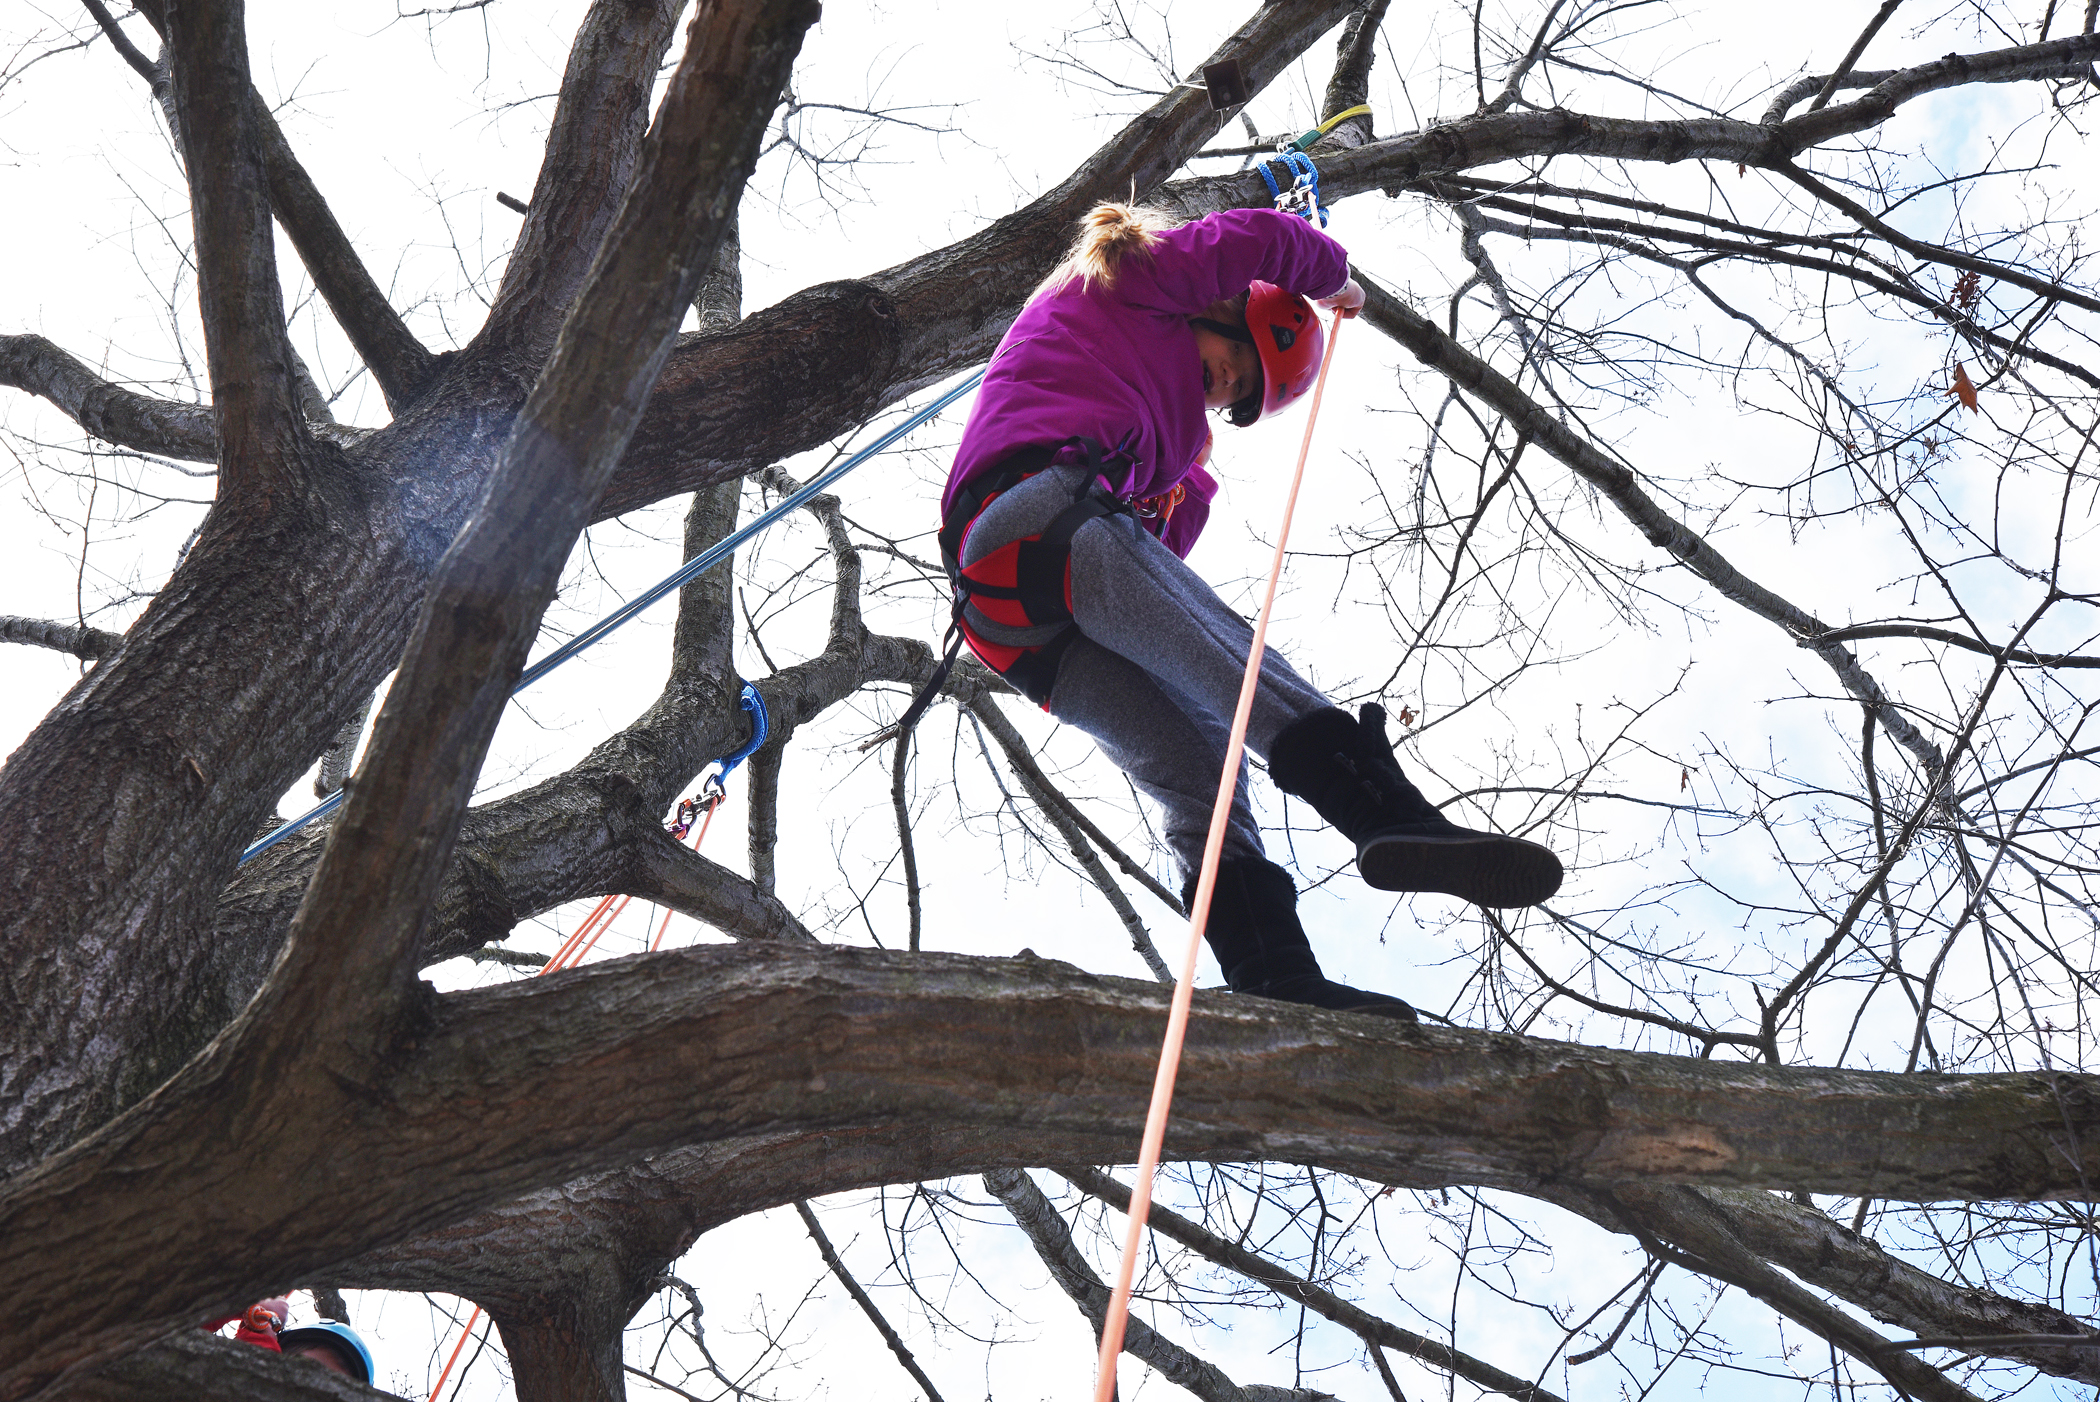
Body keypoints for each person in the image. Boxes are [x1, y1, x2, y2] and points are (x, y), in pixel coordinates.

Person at [935, 202, 1563, 1021]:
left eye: (1248, 395)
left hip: (1019, 628)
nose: (1232, 387)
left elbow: (1160, 565)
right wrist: (1335, 281)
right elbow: (1259, 237)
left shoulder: (1156, 432)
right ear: (1225, 306)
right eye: (1243, 355)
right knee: (1231, 661)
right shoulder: (1132, 282)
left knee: (1199, 768)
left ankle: (1275, 977)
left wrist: (1188, 471)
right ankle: (1384, 811)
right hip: (1034, 521)